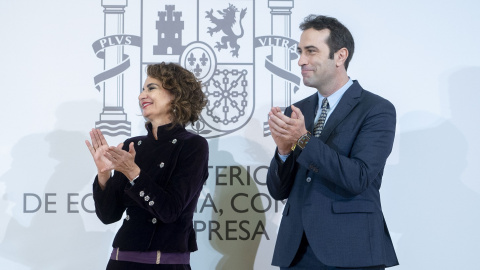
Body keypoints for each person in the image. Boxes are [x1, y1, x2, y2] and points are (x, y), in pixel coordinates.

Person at [266, 15, 399, 269]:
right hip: (296, 252)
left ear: (340, 56)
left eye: (311, 51)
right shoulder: (296, 111)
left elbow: (358, 177)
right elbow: (278, 191)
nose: (301, 60)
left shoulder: (376, 109)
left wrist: (302, 140)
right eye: (300, 52)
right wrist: (283, 153)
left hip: (351, 250)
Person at [85, 62, 209, 270]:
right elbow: (109, 215)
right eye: (142, 89)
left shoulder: (193, 145)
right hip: (120, 262)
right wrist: (103, 174)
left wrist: (132, 171)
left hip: (165, 264)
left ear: (177, 95)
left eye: (151, 88)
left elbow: (169, 211)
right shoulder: (133, 145)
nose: (142, 95)